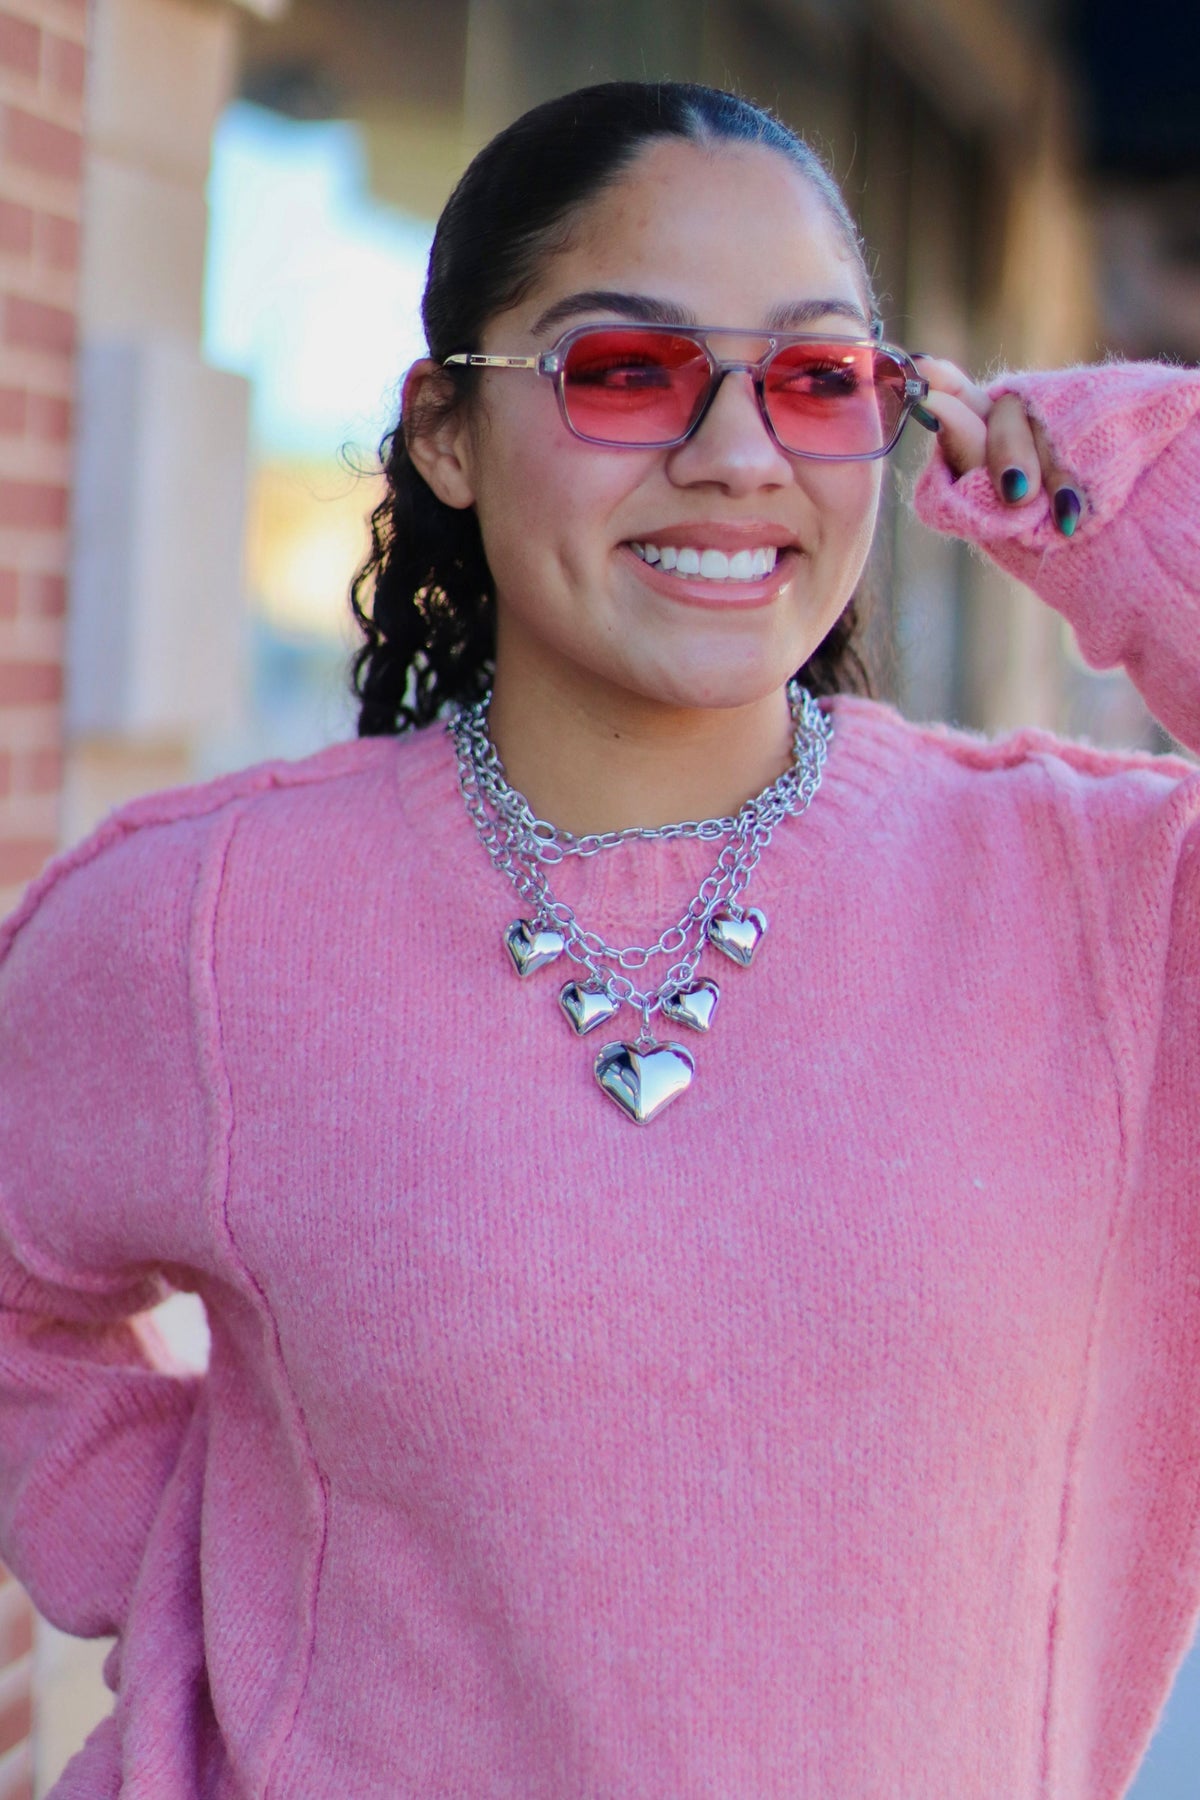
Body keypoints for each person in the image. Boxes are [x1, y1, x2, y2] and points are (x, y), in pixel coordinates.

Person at [1, 79, 1198, 1799]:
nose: (736, 451)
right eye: (625, 371)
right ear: (447, 430)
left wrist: (1111, 479)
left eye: (816, 378)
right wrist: (199, 1594)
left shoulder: (1103, 900)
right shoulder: (204, 926)